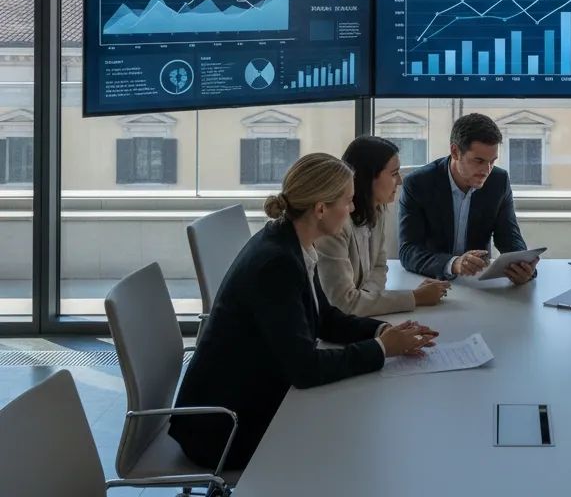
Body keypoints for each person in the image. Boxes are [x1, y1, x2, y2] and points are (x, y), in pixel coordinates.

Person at [170, 152, 438, 471]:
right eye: (348, 201)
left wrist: (380, 332)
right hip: (223, 430)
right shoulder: (277, 264)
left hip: (249, 398)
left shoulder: (293, 241)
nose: (353, 208)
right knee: (355, 441)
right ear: (321, 209)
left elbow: (324, 318)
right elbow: (305, 369)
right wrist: (383, 350)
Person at [316, 136, 450, 315]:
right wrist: (414, 297)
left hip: (355, 320)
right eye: (394, 174)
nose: (400, 181)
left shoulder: (377, 209)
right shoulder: (335, 224)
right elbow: (342, 303)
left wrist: (363, 299)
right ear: (368, 177)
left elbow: (379, 268)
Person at [399, 113, 537, 283]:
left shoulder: (498, 181)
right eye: (478, 161)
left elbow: (509, 236)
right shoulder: (419, 183)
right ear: (455, 152)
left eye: (492, 161)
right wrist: (453, 263)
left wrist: (523, 266)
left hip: (477, 284)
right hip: (428, 281)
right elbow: (408, 250)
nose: (487, 170)